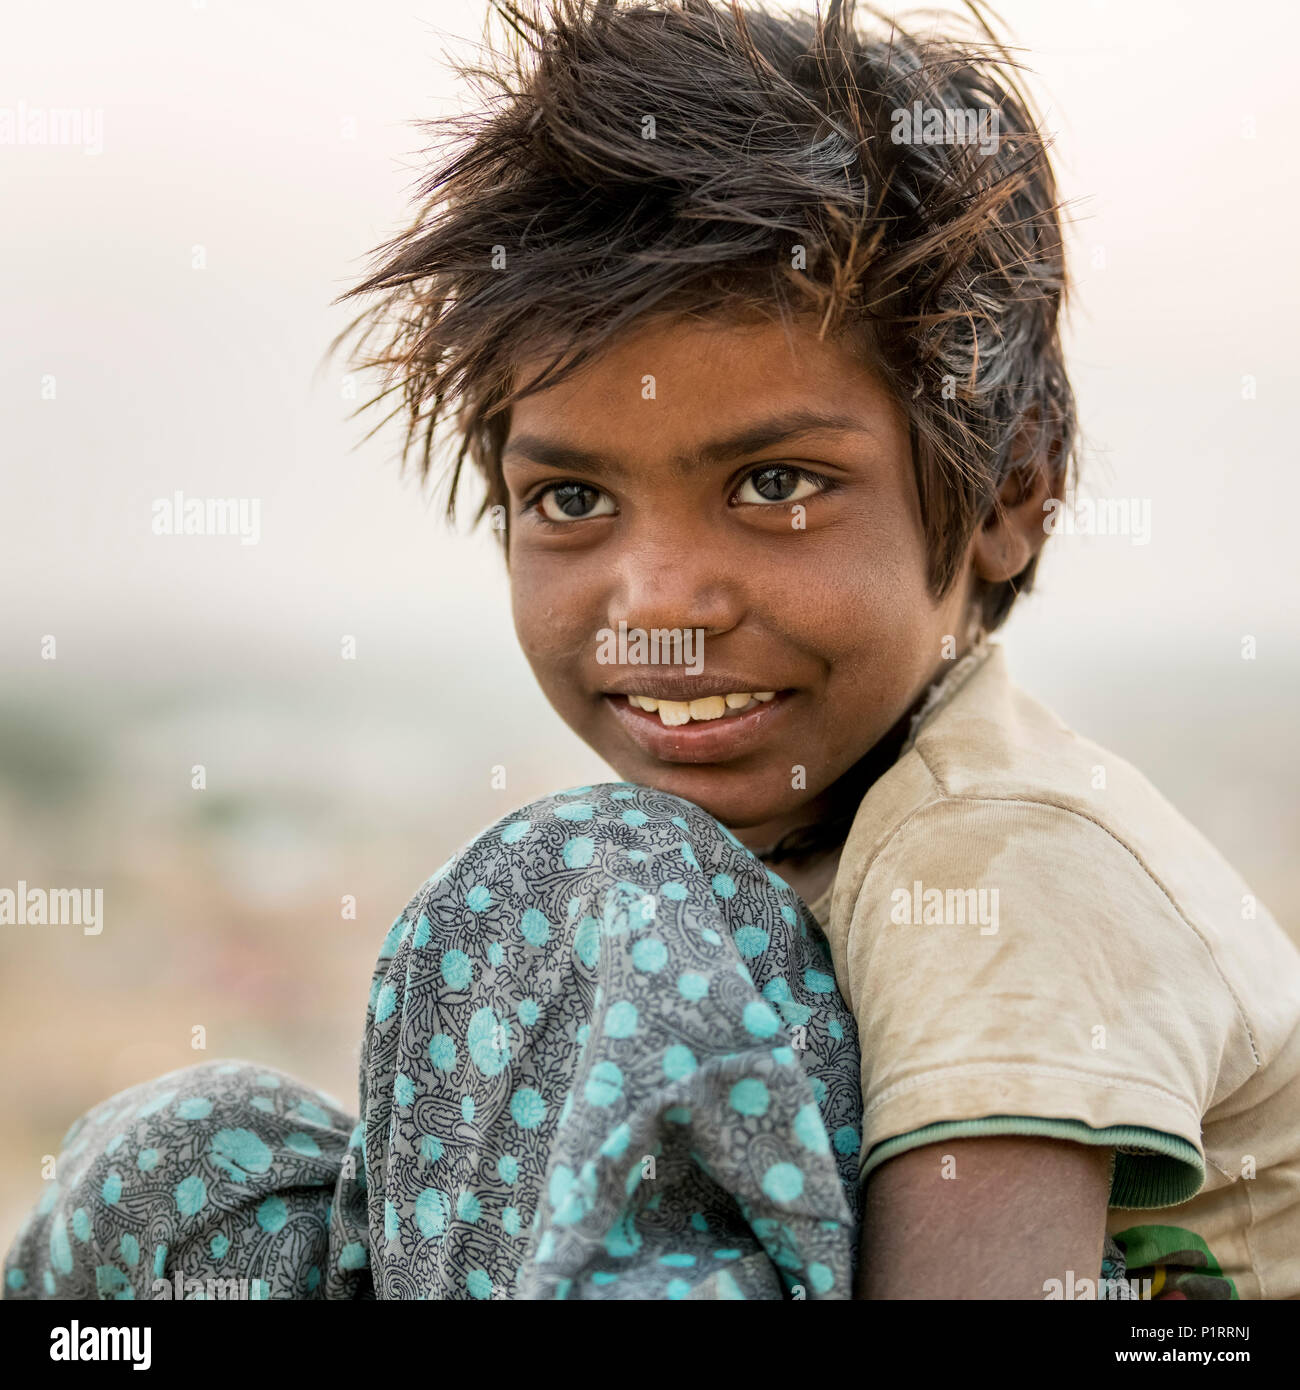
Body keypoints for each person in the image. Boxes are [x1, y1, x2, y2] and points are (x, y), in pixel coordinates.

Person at [6, 0, 1296, 1301]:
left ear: (1009, 496)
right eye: (571, 500)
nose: (660, 601)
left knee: (582, 888)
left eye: (774, 480)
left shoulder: (1005, 865)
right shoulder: (780, 860)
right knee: (183, 1175)